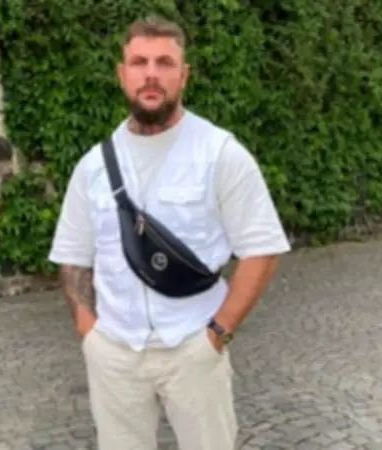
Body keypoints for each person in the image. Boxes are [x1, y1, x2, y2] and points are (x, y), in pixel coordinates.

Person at [48, 15, 292, 450]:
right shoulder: (92, 167)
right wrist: (91, 335)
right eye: (139, 62)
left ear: (184, 75)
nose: (151, 74)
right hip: (115, 352)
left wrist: (216, 335)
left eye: (164, 63)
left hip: (194, 347)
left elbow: (262, 249)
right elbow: (73, 256)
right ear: (122, 74)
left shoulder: (220, 153)